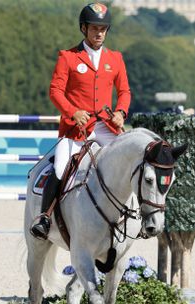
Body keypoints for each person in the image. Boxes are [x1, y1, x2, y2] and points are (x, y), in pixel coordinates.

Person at [30, 2, 131, 240]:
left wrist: (121, 112)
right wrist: (72, 112)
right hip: (76, 129)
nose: (99, 33)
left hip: (106, 126)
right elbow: (55, 91)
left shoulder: (115, 59)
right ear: (84, 28)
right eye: (95, 28)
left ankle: (131, 214)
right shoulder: (68, 57)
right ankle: (44, 218)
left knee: (128, 162)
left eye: (103, 29)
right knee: (60, 166)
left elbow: (125, 92)